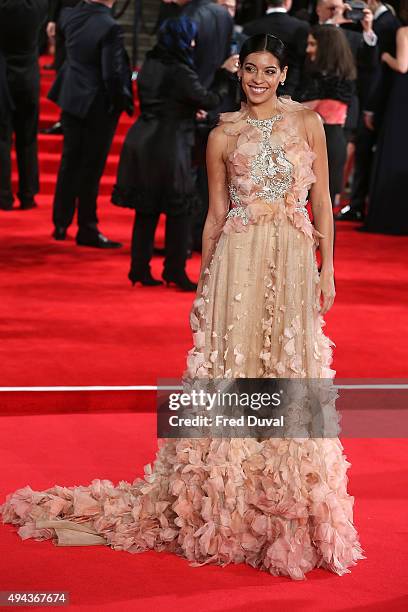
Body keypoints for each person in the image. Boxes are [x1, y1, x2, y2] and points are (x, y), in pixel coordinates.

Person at [0, 34, 365, 581]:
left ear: (285, 75)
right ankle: (229, 496)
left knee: (289, 368)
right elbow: (216, 213)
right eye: (250, 70)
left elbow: (323, 205)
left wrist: (327, 268)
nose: (259, 80)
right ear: (239, 73)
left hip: (291, 260)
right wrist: (203, 283)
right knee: (233, 371)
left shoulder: (307, 124)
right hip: (238, 262)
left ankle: (283, 494)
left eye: (269, 71)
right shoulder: (223, 134)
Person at [112, 17, 238, 290]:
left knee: (146, 209)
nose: (193, 43)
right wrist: (224, 74)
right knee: (180, 208)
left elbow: (171, 99)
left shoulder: (150, 64)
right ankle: (175, 270)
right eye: (191, 38)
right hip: (169, 144)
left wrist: (186, 108)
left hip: (143, 139)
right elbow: (209, 99)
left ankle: (139, 269)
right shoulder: (179, 70)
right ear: (182, 39)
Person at [49, 0, 134, 248]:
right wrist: (123, 103)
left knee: (69, 161)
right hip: (96, 104)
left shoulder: (69, 16)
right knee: (91, 168)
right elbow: (112, 74)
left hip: (70, 95)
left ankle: (60, 223)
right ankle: (87, 227)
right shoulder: (110, 26)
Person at [335, 0, 400, 221]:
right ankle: (357, 204)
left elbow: (380, 73)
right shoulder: (378, 22)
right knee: (362, 150)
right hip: (369, 98)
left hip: (374, 100)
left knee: (364, 151)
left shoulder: (390, 24)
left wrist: (371, 107)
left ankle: (357, 205)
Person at [359, 1, 408, 234]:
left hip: (401, 98)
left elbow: (402, 65)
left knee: (394, 151)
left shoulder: (403, 31)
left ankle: (388, 216)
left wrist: (386, 56)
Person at [295, 25, 356, 205]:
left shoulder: (342, 80)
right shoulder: (311, 75)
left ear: (327, 47)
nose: (308, 50)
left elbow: (322, 111)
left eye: (313, 44)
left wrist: (295, 106)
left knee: (324, 206)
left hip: (329, 143)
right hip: (304, 143)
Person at [0, 0, 48, 211]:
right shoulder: (39, 5)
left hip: (3, 72)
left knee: (2, 137)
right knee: (28, 137)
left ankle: (3, 196)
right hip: (28, 73)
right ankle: (28, 195)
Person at [243, 0, 310, 96]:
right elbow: (304, 62)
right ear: (287, 2)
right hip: (290, 90)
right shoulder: (302, 27)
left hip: (256, 89)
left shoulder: (250, 27)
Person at [41, 0, 82, 135]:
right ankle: (65, 120)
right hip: (64, 18)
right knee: (62, 72)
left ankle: (68, 120)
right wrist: (52, 19)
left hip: (84, 18)